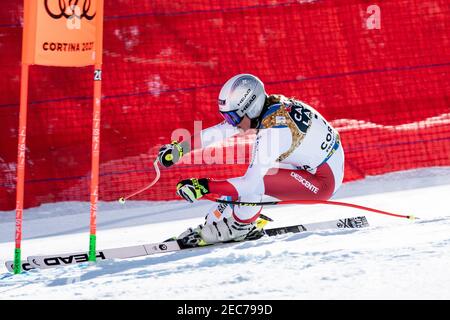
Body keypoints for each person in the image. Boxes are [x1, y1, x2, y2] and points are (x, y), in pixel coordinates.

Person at [157, 74, 344, 247]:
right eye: (226, 116)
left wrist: (204, 186)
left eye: (232, 117)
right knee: (224, 206)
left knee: (255, 184)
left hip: (322, 181)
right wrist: (179, 150)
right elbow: (219, 132)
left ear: (251, 107)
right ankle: (233, 220)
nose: (230, 122)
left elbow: (250, 184)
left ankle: (240, 228)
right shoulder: (265, 109)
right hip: (310, 162)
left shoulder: (273, 132)